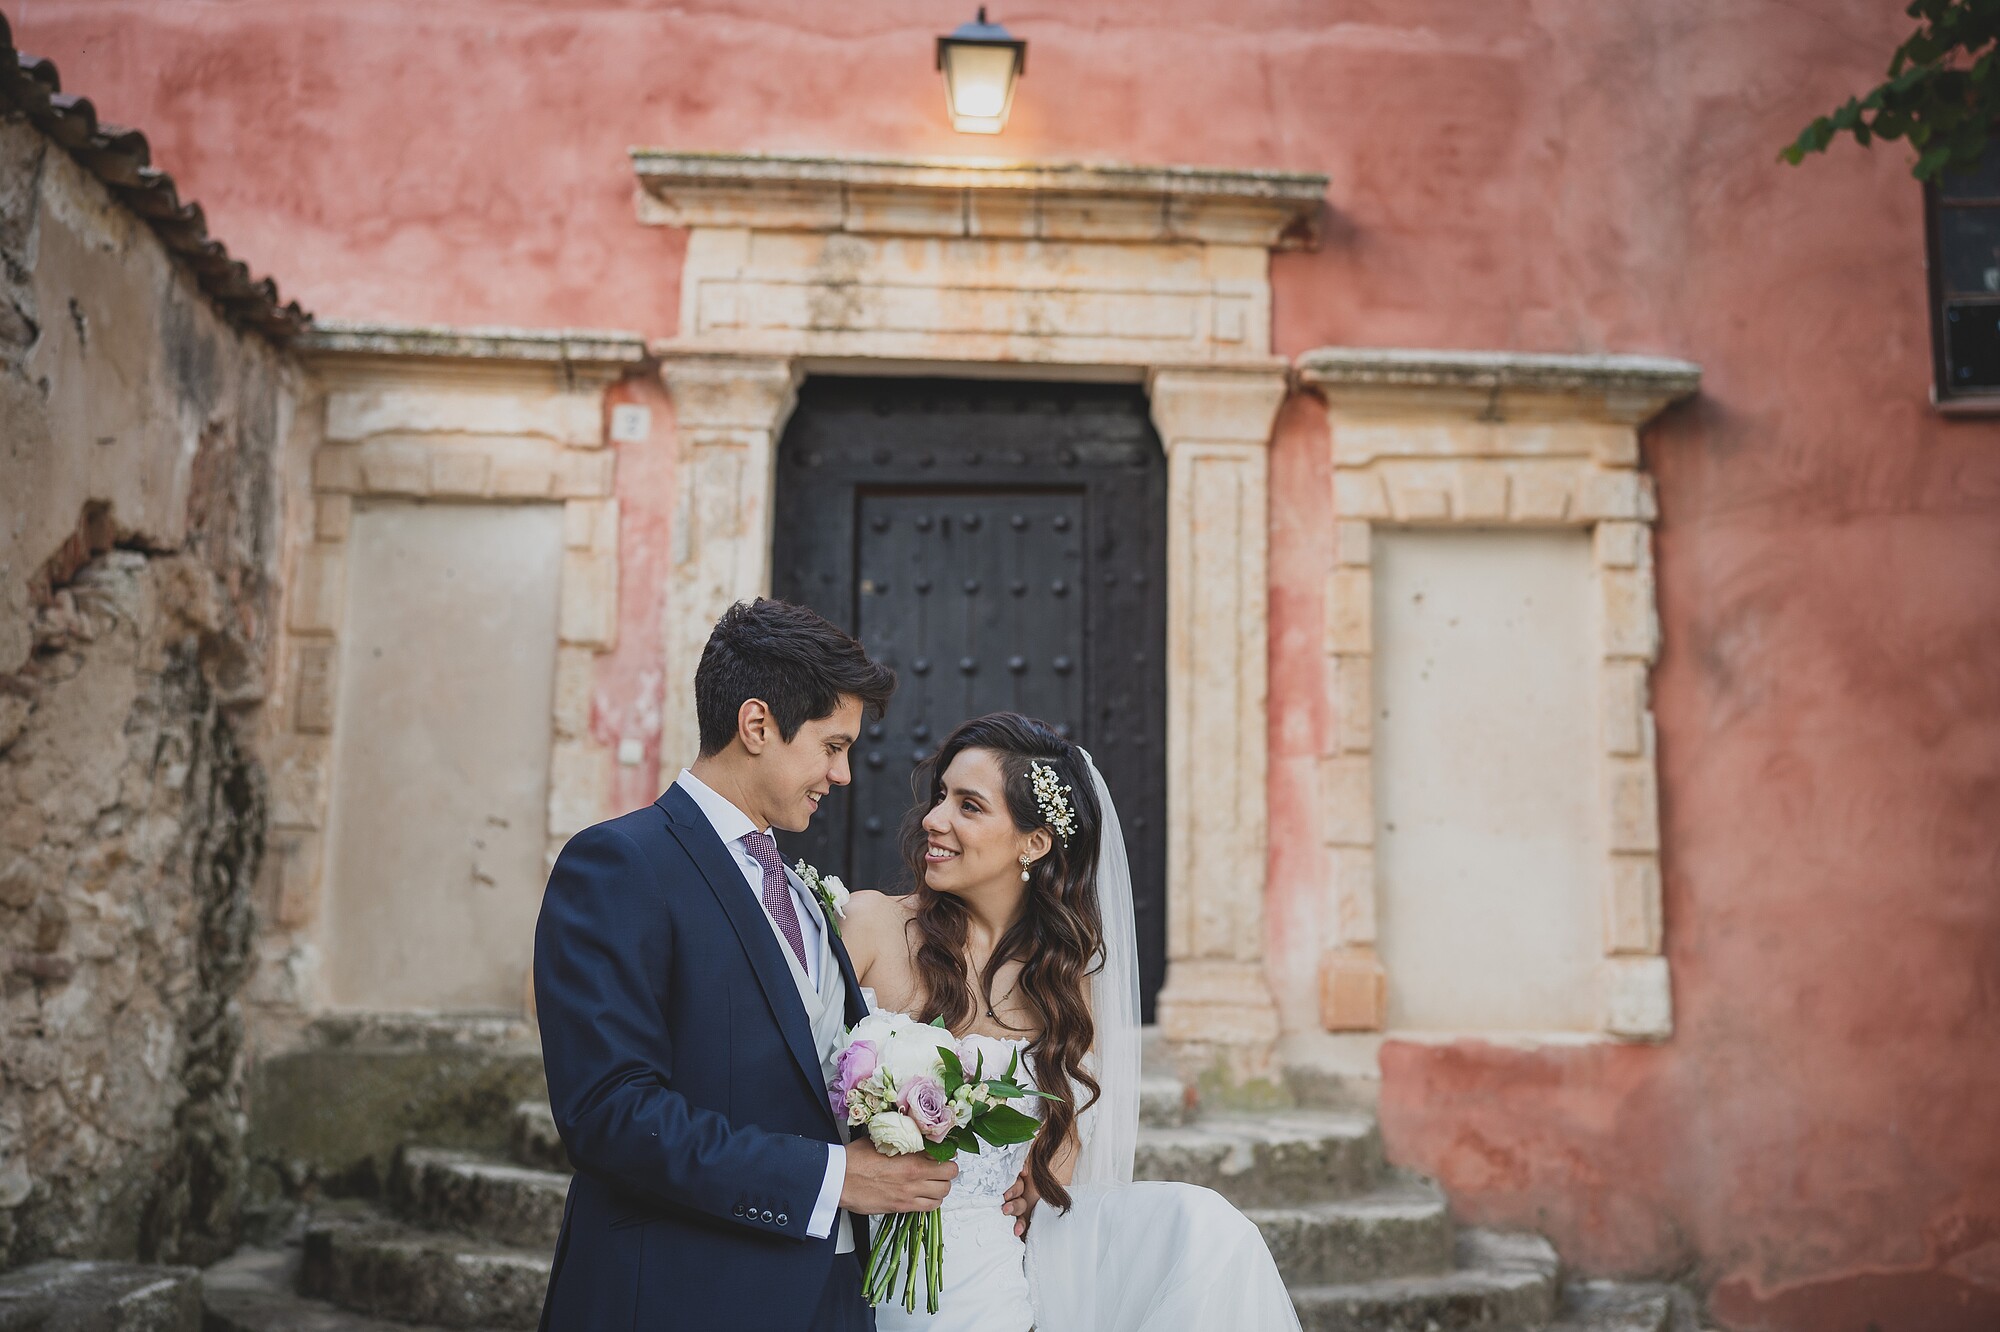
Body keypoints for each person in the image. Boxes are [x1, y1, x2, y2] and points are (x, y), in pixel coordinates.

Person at [532, 599, 958, 1332]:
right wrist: (831, 1178)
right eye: (831, 746)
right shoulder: (620, 864)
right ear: (757, 725)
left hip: (824, 1296)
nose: (844, 774)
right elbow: (610, 1112)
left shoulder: (800, 888)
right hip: (678, 1294)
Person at [840, 712, 1303, 1332]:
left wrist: (1045, 1167)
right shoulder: (872, 924)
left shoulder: (1061, 976)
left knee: (1210, 1231)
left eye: (969, 805)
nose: (934, 819)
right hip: (860, 1250)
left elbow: (1064, 1128)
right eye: (941, 796)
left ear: (1033, 843)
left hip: (994, 1266)